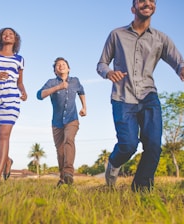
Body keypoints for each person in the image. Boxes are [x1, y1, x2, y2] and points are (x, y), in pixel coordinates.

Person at [97, 0, 184, 192]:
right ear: (133, 8)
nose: (147, 3)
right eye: (141, 0)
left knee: (153, 145)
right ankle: (113, 163)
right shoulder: (116, 35)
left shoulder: (161, 38)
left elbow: (179, 62)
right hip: (122, 97)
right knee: (128, 145)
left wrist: (181, 70)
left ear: (154, 7)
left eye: (151, 1)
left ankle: (141, 189)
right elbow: (101, 64)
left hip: (148, 96)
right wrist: (109, 73)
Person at [0, 27, 27, 187]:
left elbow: (19, 82)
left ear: (15, 39)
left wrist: (23, 92)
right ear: (0, 38)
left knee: (4, 136)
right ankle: (7, 161)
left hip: (11, 99)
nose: (8, 35)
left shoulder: (19, 59)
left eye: (11, 34)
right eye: (4, 34)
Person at [37, 57, 87, 187]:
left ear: (68, 68)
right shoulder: (51, 82)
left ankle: (69, 173)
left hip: (72, 119)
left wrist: (84, 107)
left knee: (69, 140)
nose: (61, 66)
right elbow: (39, 95)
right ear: (55, 71)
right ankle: (63, 179)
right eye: (58, 65)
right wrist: (58, 87)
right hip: (57, 122)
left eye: (63, 64)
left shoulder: (75, 81)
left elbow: (81, 91)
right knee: (60, 151)